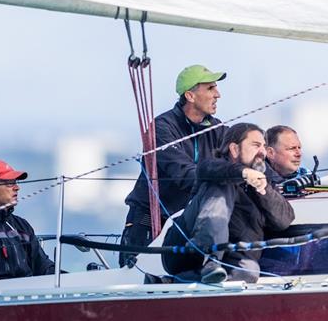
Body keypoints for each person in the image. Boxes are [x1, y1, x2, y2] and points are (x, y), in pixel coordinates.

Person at [120, 65, 227, 267]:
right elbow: (182, 172)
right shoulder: (162, 127)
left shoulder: (216, 129)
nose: (218, 95)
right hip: (150, 220)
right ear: (190, 96)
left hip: (185, 221)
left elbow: (240, 148)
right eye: (211, 88)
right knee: (137, 278)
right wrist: (221, 180)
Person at [161, 123, 295, 283]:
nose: (262, 152)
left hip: (232, 258)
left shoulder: (267, 181)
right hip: (188, 251)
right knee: (223, 185)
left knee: (248, 273)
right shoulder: (213, 168)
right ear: (234, 149)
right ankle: (211, 257)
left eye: (264, 146)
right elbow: (208, 168)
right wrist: (243, 173)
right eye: (256, 145)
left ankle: (175, 282)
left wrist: (264, 190)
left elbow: (284, 220)